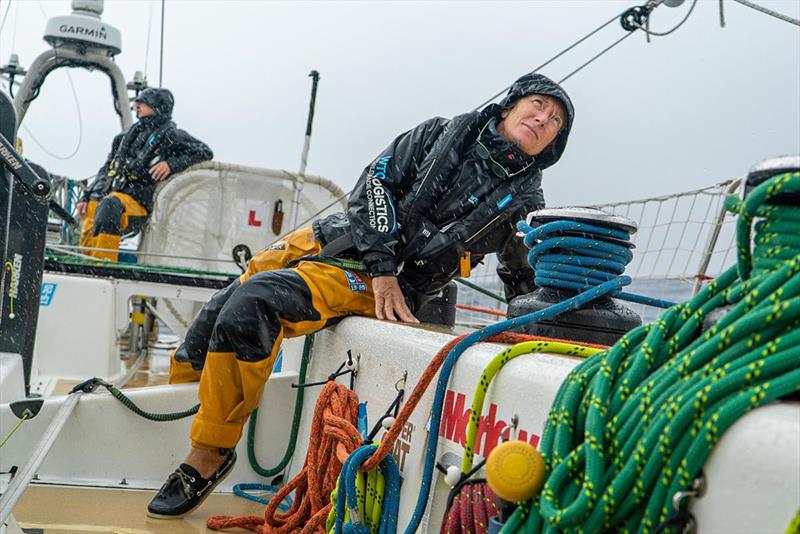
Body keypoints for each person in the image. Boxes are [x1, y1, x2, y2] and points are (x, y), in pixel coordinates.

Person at [146, 72, 574, 519]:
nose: (543, 119)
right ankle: (175, 407)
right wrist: (384, 263)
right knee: (218, 306)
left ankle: (210, 449)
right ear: (510, 105)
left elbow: (523, 276)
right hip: (336, 237)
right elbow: (375, 183)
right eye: (539, 105)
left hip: (370, 282)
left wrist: (534, 332)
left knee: (253, 303)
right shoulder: (437, 133)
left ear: (552, 145)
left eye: (555, 121)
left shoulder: (525, 205)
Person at [76, 88, 213, 261]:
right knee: (93, 206)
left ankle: (102, 265)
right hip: (114, 194)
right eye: (137, 102)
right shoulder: (124, 138)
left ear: (158, 106)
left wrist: (171, 164)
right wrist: (86, 196)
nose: (137, 105)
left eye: (143, 102)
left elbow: (204, 151)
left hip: (139, 201)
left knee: (110, 206)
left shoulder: (172, 136)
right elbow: (108, 168)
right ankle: (84, 263)